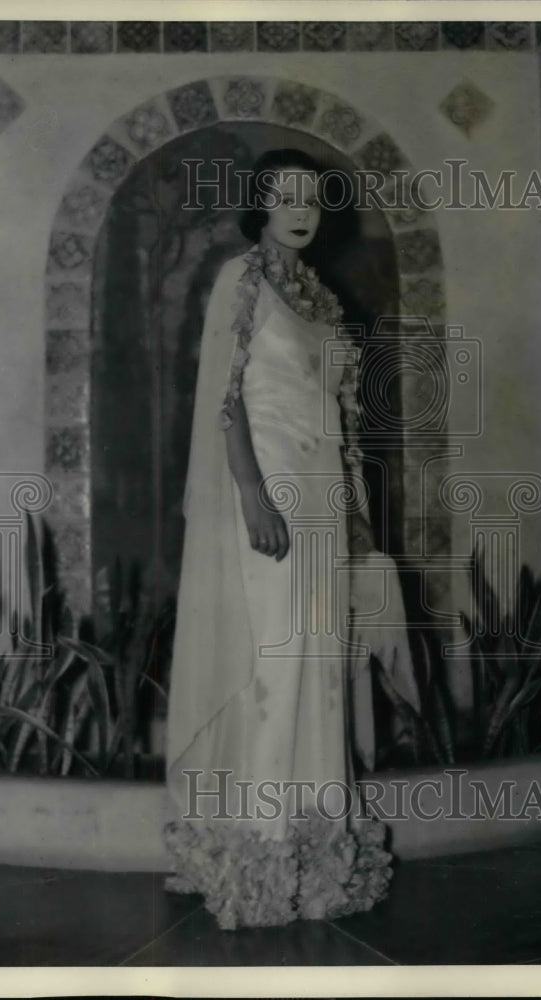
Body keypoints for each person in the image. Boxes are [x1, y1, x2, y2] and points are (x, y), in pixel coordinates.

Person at [164, 148, 393, 931]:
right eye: (284, 195)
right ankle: (257, 861)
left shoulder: (320, 297)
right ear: (257, 205)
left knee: (319, 675)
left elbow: (346, 426)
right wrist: (254, 496)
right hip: (272, 501)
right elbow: (223, 407)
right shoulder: (243, 281)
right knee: (278, 668)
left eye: (313, 198)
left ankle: (316, 859)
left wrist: (358, 524)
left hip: (326, 503)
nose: (302, 208)